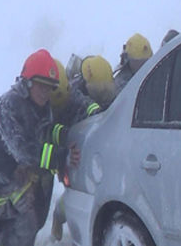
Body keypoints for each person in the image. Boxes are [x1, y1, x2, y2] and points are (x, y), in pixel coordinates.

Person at [0, 49, 80, 246]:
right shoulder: (8, 105)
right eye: (42, 86)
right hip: (0, 181)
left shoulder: (41, 106)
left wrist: (67, 135)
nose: (46, 92)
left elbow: (46, 130)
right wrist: (61, 157)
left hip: (15, 182)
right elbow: (23, 150)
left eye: (49, 87)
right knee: (17, 227)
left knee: (28, 224)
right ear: (28, 82)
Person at [50, 56, 114, 241]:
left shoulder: (78, 93)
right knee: (74, 189)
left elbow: (91, 107)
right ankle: (59, 216)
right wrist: (63, 149)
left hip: (81, 147)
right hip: (66, 152)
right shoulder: (61, 98)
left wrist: (100, 116)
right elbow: (46, 132)